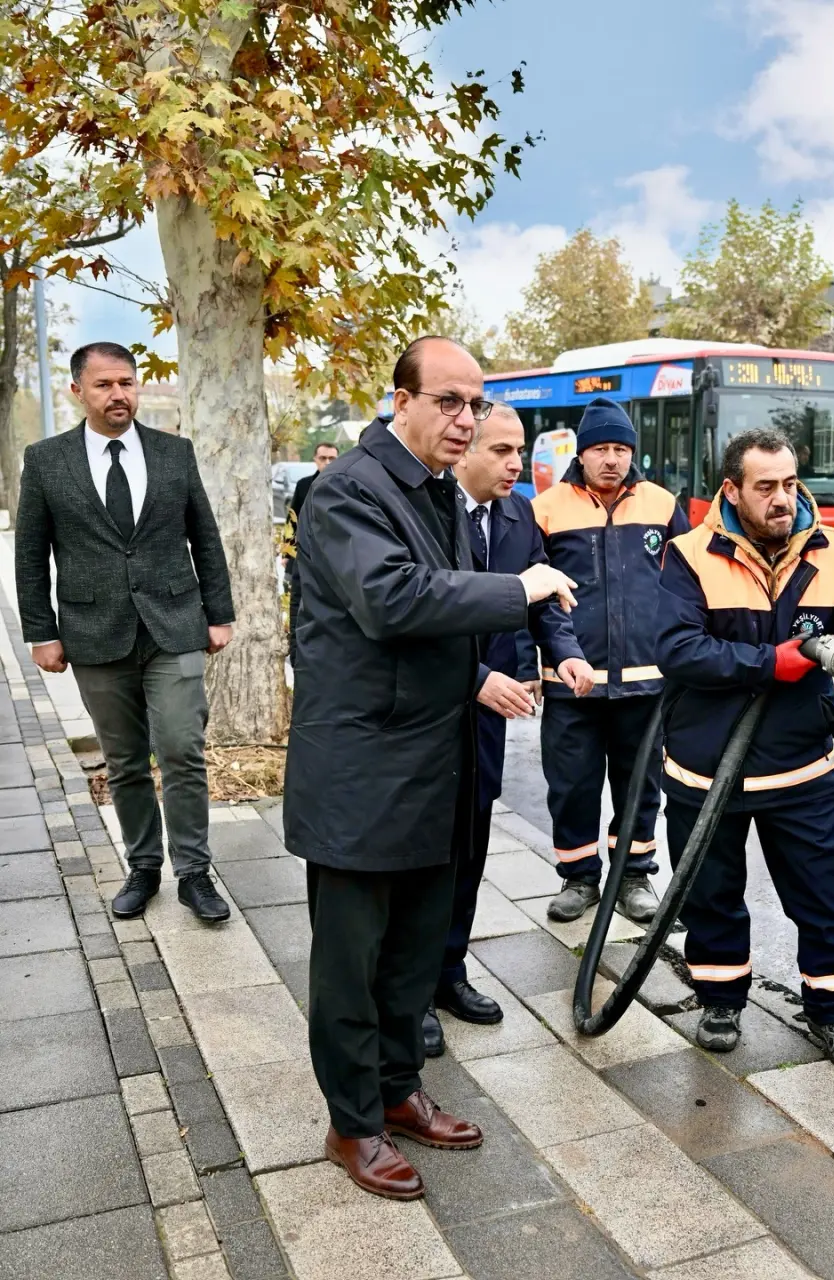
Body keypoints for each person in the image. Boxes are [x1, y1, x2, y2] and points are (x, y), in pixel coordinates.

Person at [283, 336, 578, 1200]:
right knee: (353, 963)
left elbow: (433, 627)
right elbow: (393, 600)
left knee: (415, 952)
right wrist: (519, 589)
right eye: (448, 401)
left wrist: (482, 673)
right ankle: (352, 1124)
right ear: (400, 401)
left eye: (476, 404)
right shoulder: (348, 490)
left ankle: (398, 1089)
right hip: (363, 772)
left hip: (434, 760)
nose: (466, 419)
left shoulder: (438, 491)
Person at [654, 428, 834, 1073]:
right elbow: (676, 649)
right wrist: (765, 663)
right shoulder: (689, 555)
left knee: (825, 895)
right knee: (711, 894)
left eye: (789, 483)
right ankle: (720, 1000)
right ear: (732, 491)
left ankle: (833, 1014)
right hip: (705, 764)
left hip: (799, 763)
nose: (782, 499)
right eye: (766, 487)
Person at [15, 341, 235, 924]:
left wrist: (220, 614)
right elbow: (31, 555)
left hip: (175, 625)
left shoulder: (173, 453)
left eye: (127, 383)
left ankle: (194, 872)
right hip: (93, 631)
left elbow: (204, 537)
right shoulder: (45, 460)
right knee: (125, 760)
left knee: (182, 749)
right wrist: (41, 631)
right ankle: (144, 867)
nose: (119, 395)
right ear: (78, 392)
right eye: (105, 385)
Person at [422, 404, 591, 1053]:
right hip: (429, 711)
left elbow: (543, 602)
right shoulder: (429, 513)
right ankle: (410, 995)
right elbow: (418, 615)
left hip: (492, 716)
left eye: (519, 450)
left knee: (471, 844)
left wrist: (566, 652)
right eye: (500, 450)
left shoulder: (520, 514)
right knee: (426, 855)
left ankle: (450, 971)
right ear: (463, 450)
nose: (516, 463)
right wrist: (471, 679)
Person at [532, 397, 690, 924]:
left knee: (640, 785)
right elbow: (536, 597)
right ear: (582, 454)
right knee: (572, 785)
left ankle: (634, 874)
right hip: (570, 684)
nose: (612, 459)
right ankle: (579, 879)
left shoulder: (663, 506)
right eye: (601, 448)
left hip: (647, 684)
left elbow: (686, 588)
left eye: (621, 449)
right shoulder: (547, 508)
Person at [282, 440, 339, 667]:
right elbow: (292, 517)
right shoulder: (305, 485)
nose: (326, 462)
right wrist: (287, 550)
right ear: (315, 459)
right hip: (302, 556)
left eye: (331, 458)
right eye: (323, 458)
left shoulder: (343, 483)